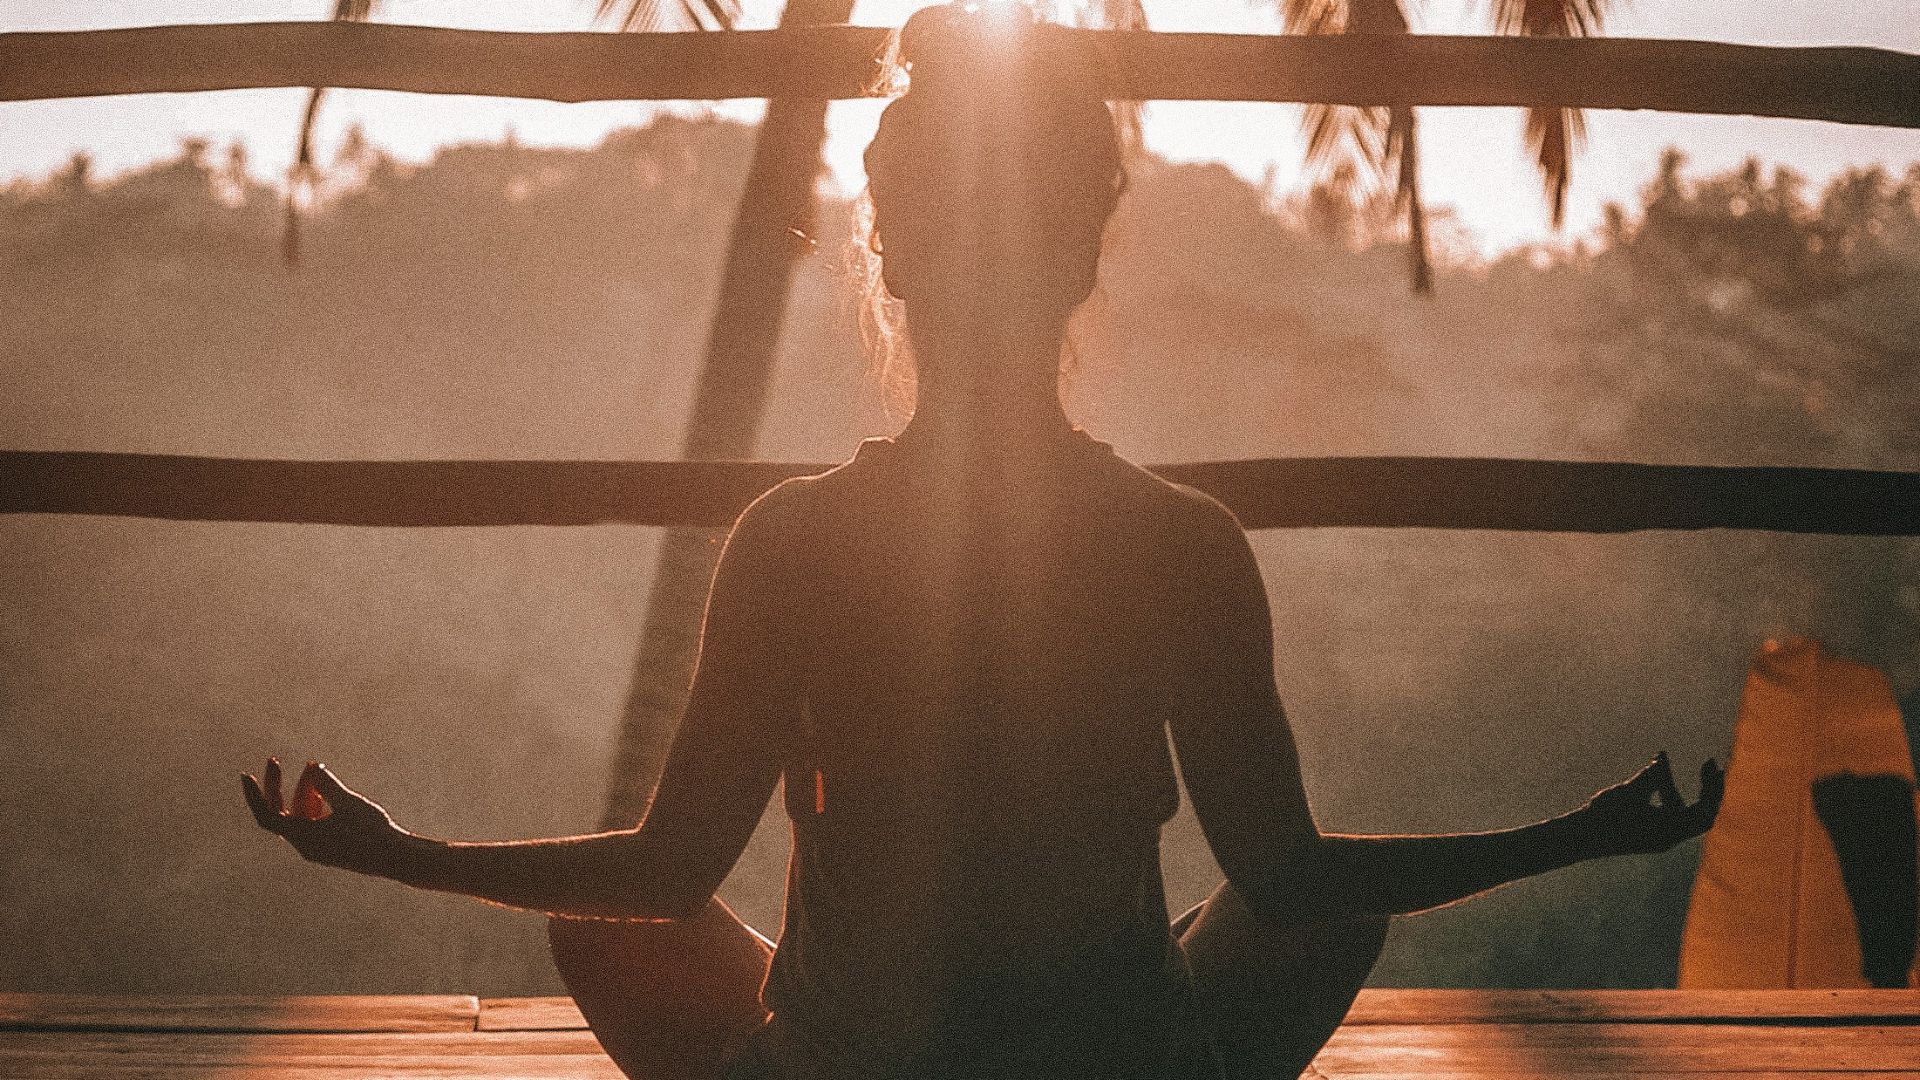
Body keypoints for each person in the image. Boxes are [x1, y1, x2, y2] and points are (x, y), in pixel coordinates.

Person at [242, 6, 1724, 1078]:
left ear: (888, 251)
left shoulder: (796, 541)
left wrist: (399, 854)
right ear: (1084, 253)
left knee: (603, 931)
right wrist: (1581, 833)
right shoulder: (1181, 543)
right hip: (1116, 1062)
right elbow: (1291, 876)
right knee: (1320, 918)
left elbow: (664, 865)